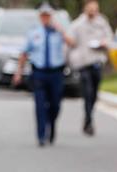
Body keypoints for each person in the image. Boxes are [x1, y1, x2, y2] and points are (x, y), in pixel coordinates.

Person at [13, 2, 74, 147]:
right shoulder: (34, 33)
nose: (45, 18)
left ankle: (51, 125)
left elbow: (72, 43)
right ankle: (41, 135)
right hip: (39, 73)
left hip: (56, 73)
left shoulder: (58, 32)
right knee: (40, 105)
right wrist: (18, 73)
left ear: (51, 16)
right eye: (43, 16)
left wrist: (61, 31)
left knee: (55, 105)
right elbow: (24, 53)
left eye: (48, 16)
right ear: (40, 17)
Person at [68, 0, 113, 136]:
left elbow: (109, 37)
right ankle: (88, 120)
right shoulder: (77, 24)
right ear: (85, 9)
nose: (93, 11)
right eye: (91, 9)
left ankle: (89, 115)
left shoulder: (102, 22)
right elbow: (70, 41)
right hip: (83, 63)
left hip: (97, 61)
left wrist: (105, 43)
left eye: (95, 9)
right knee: (87, 91)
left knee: (94, 93)